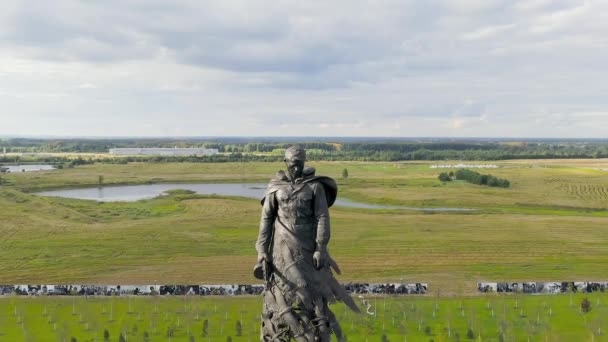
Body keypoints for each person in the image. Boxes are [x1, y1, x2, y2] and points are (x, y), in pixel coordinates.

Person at [255, 145, 359, 342]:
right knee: (282, 291)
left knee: (311, 292)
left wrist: (321, 247)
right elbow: (266, 219)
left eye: (300, 165)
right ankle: (280, 332)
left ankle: (316, 334)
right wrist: (261, 250)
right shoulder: (275, 187)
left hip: (308, 247)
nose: (296, 168)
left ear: (304, 163)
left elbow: (322, 216)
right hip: (281, 247)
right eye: (293, 165)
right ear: (286, 163)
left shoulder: (314, 186)